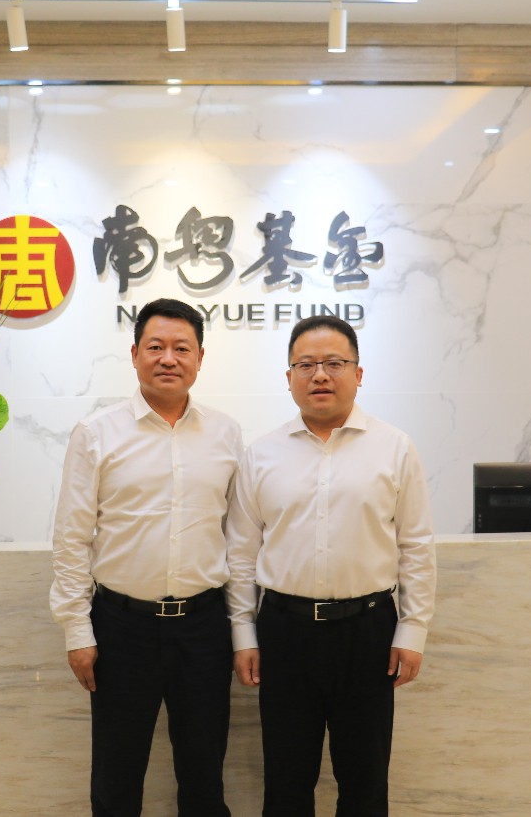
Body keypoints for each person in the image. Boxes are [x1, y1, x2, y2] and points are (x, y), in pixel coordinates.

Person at [225, 314, 436, 817]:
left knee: (365, 783)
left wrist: (413, 630)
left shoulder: (394, 447)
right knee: (286, 783)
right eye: (306, 365)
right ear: (289, 377)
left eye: (334, 363)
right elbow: (240, 555)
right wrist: (244, 635)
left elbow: (416, 545)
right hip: (285, 633)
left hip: (368, 632)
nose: (320, 375)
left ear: (358, 374)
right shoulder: (261, 455)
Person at [50, 298, 241, 817]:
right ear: (135, 354)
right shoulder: (96, 433)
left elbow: (238, 537)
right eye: (155, 347)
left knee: (204, 775)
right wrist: (77, 630)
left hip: (204, 626)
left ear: (200, 357)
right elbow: (71, 537)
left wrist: (241, 628)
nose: (168, 359)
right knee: (117, 776)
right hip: (121, 627)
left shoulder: (226, 433)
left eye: (182, 348)